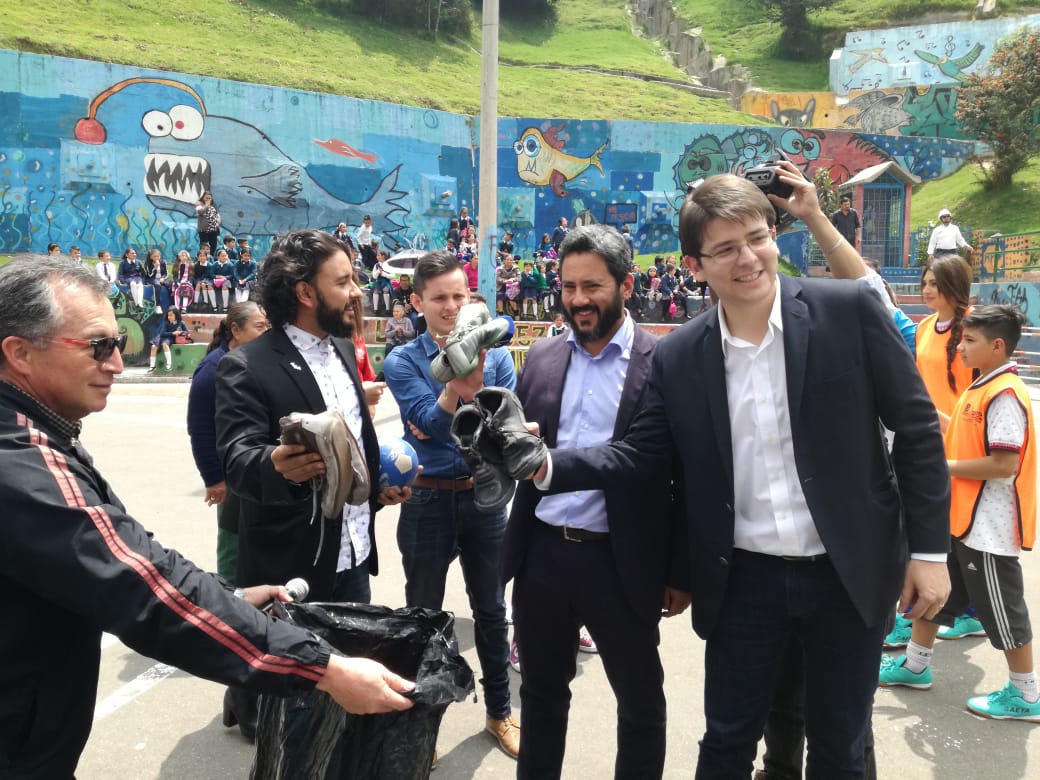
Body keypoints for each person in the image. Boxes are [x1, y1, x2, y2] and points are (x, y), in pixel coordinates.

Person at [530, 163, 952, 778]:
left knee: (841, 746)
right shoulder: (679, 356)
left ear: (775, 235)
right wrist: (543, 465)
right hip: (744, 581)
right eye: (725, 249)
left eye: (757, 237)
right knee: (727, 742)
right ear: (696, 266)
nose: (748, 258)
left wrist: (931, 554)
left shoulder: (847, 311)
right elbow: (640, 454)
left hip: (849, 574)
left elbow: (916, 433)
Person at [0, 257, 414, 778]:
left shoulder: (40, 435)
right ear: (20, 353)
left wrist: (236, 598)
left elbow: (128, 554)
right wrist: (319, 666)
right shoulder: (20, 461)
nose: (117, 363)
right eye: (98, 345)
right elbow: (144, 585)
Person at [502, 224, 691, 778]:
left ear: (626, 286)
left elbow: (675, 473)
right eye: (569, 287)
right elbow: (514, 441)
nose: (579, 300)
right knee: (539, 696)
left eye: (593, 286)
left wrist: (678, 570)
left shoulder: (665, 362)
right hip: (541, 559)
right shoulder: (540, 355)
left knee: (639, 703)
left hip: (621, 563)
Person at [382, 250, 521, 758]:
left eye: (459, 296)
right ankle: (420, 726)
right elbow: (433, 422)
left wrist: (447, 408)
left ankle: (500, 713)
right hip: (426, 500)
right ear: (417, 301)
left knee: (491, 612)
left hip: (485, 501)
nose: (450, 306)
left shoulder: (499, 355)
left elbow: (500, 424)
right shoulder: (402, 359)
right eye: (439, 297)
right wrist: (457, 393)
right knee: (423, 617)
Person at [880, 304, 1039, 721]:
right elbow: (962, 430)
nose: (961, 347)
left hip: (987, 528)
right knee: (934, 595)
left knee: (1004, 610)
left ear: (997, 345)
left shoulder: (1005, 394)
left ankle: (1026, 694)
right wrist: (924, 414)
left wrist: (944, 467)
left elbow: (1004, 464)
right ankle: (915, 665)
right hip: (962, 518)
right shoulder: (982, 386)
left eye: (969, 341)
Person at [187, 301, 270, 583]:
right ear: (235, 329)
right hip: (233, 477)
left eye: (267, 326)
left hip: (259, 468)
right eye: (259, 327)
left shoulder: (258, 360)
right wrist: (213, 479)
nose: (266, 332)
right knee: (234, 548)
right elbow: (200, 429)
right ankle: (235, 601)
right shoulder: (212, 370)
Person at [148, 307, 189, 373]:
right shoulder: (166, 322)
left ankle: (169, 365)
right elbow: (162, 333)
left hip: (170, 338)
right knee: (153, 347)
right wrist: (173, 333)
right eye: (168, 315)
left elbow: (187, 332)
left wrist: (180, 332)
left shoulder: (181, 323)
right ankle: (152, 366)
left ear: (176, 315)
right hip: (161, 337)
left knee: (164, 344)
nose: (169, 317)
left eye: (171, 315)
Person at [143, 248, 170, 313]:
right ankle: (158, 305)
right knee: (157, 285)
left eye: (158, 256)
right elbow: (149, 275)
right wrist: (154, 268)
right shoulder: (148, 264)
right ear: (151, 257)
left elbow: (166, 273)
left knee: (170, 285)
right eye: (154, 256)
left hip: (161, 278)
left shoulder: (163, 262)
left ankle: (171, 304)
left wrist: (163, 278)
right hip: (152, 279)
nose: (156, 258)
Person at [210, 248, 235, 313]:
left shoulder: (230, 265)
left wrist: (225, 277)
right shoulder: (215, 264)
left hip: (226, 280)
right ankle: (214, 307)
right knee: (209, 286)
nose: (224, 257)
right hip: (217, 281)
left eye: (225, 255)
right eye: (222, 256)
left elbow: (232, 275)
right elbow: (212, 274)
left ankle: (225, 307)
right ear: (218, 257)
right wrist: (217, 276)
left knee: (225, 286)